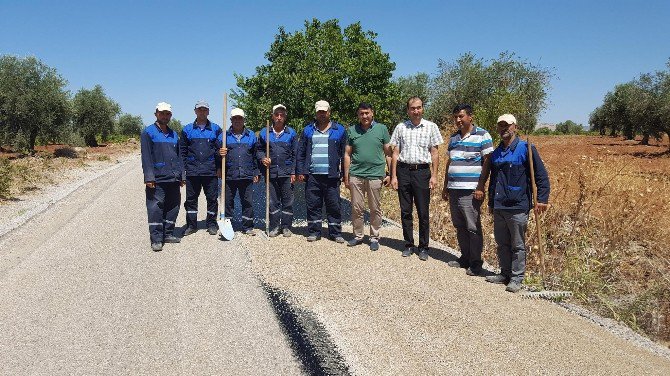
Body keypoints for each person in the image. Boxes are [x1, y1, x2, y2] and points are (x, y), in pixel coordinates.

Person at [485, 114, 550, 293]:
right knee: (502, 242)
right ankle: (505, 273)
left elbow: (541, 176)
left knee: (517, 244)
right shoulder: (496, 153)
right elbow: (493, 180)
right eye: (501, 125)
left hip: (518, 206)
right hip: (499, 205)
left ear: (515, 127)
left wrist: (542, 199)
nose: (504, 128)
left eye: (507, 125)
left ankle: (517, 277)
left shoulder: (526, 149)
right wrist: (491, 202)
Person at [441, 104, 493, 276]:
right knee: (459, 225)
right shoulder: (454, 137)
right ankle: (465, 257)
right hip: (454, 189)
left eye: (461, 116)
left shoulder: (482, 135)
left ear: (470, 117)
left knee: (472, 226)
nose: (458, 120)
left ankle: (476, 262)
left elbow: (487, 161)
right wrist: (445, 186)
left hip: (471, 190)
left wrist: (480, 187)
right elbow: (450, 162)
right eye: (455, 117)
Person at [390, 97, 443, 261]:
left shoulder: (431, 127)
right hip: (403, 171)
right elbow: (395, 153)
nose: (416, 111)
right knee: (405, 211)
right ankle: (408, 244)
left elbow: (434, 153)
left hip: (422, 172)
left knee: (423, 212)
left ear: (423, 109)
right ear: (408, 110)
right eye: (412, 108)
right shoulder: (401, 127)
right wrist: (393, 176)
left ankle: (424, 247)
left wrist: (434, 175)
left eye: (419, 108)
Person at [296, 100, 347, 243]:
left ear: (329, 112)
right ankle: (314, 231)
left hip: (332, 176)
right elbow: (300, 152)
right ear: (316, 113)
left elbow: (344, 154)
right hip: (312, 175)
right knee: (313, 204)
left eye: (325, 111)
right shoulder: (307, 130)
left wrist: (344, 174)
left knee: (334, 205)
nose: (322, 114)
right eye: (319, 111)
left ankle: (335, 233)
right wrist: (300, 170)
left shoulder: (339, 130)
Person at [343, 102, 391, 251]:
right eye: (361, 113)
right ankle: (358, 236)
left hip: (375, 175)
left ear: (372, 113)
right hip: (356, 175)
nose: (364, 116)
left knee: (375, 208)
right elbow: (347, 154)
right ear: (358, 115)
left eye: (367, 113)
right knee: (357, 208)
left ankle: (374, 237)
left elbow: (388, 153)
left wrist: (390, 173)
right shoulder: (352, 131)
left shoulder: (382, 129)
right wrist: (346, 176)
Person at [140, 102, 185, 251]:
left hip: (173, 178)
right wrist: (149, 177)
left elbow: (179, 156)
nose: (165, 116)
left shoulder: (174, 134)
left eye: (167, 114)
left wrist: (181, 175)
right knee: (155, 208)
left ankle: (168, 233)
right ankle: (156, 238)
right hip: (157, 178)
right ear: (156, 114)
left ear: (170, 116)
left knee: (173, 206)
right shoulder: (148, 132)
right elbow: (146, 157)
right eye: (162, 113)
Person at [179, 100, 223, 236]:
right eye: (200, 109)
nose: (202, 112)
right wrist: (183, 172)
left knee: (212, 199)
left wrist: (220, 167)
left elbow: (220, 150)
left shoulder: (216, 129)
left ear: (208, 112)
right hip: (193, 172)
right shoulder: (187, 130)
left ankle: (211, 224)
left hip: (210, 171)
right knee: (191, 199)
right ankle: (191, 225)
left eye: (205, 109)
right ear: (195, 111)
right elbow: (182, 152)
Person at [257, 104, 298, 237]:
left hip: (286, 173)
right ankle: (274, 226)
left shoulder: (291, 133)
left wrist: (293, 171)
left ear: (285, 117)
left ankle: (286, 227)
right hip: (271, 173)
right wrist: (263, 158)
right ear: (273, 116)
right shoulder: (265, 133)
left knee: (288, 201)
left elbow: (295, 154)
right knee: (273, 201)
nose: (279, 117)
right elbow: (259, 150)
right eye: (277, 115)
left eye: (282, 115)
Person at [219, 108, 260, 235]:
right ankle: (228, 227)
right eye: (235, 118)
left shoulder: (251, 136)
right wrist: (219, 153)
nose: (237, 120)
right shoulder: (224, 136)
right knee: (228, 202)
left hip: (246, 175)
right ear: (231, 120)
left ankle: (247, 226)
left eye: (240, 118)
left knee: (247, 202)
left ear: (244, 120)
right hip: (229, 175)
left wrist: (256, 172)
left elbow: (256, 155)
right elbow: (215, 154)